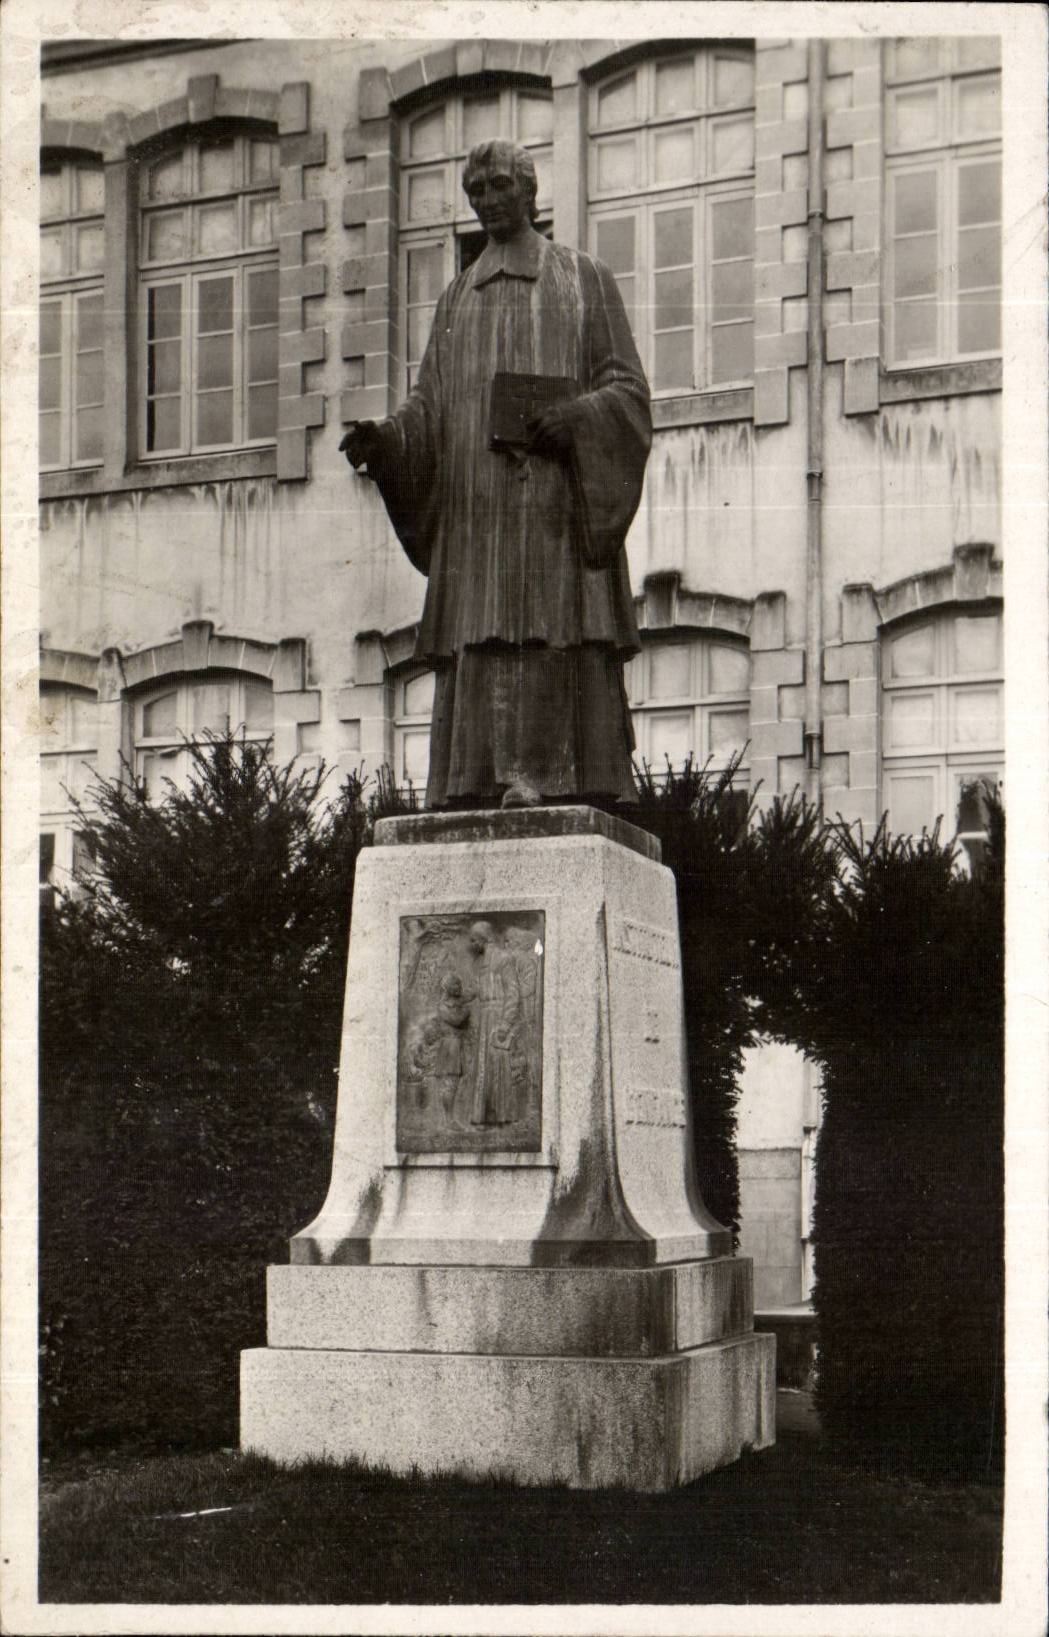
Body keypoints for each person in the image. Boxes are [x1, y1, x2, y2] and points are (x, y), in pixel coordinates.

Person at [340, 139, 652, 811]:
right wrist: (387, 441)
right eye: (475, 190)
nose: (487, 200)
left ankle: (555, 776)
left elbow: (627, 391)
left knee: (555, 629)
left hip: (555, 508)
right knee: (481, 636)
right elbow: (428, 406)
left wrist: (577, 418)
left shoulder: (584, 278)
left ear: (530, 191)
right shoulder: (456, 300)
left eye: (500, 185)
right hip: (478, 515)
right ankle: (476, 781)